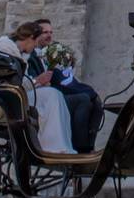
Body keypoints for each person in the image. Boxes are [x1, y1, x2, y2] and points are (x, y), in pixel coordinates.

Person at [0, 22, 76, 154]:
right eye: (35, 42)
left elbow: (24, 82)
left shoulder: (21, 55)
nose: (36, 46)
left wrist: (39, 82)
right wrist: (37, 80)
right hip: (9, 97)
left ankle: (60, 145)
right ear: (30, 37)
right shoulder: (5, 50)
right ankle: (53, 147)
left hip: (19, 94)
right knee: (52, 95)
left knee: (54, 94)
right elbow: (14, 83)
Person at [33, 19, 103, 153]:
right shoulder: (34, 54)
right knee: (83, 99)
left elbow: (64, 78)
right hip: (44, 99)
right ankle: (80, 148)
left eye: (51, 32)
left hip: (58, 92)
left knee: (94, 103)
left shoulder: (51, 52)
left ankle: (88, 147)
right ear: (36, 34)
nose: (49, 35)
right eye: (45, 32)